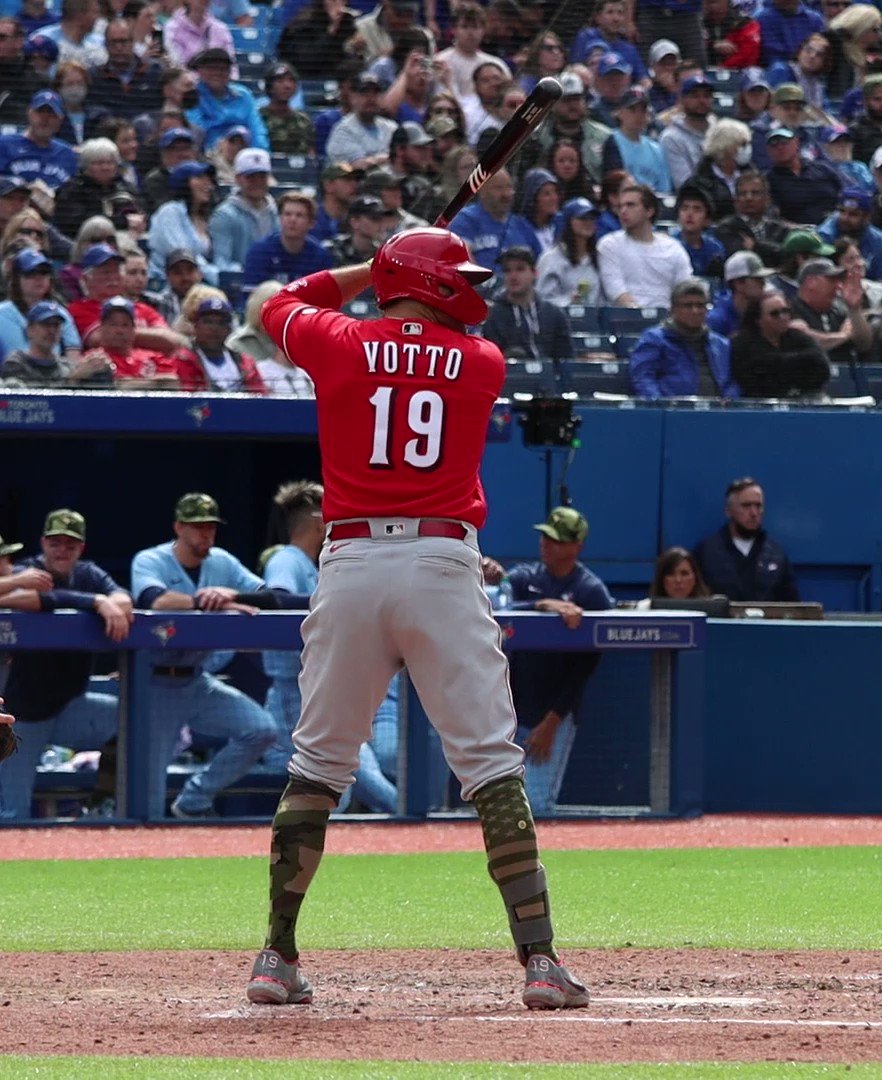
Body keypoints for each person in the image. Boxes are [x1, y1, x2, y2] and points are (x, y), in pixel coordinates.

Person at [243, 227, 591, 1011]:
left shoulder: (339, 339)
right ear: (433, 284)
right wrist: (394, 273)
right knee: (491, 764)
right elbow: (431, 338)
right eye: (457, 275)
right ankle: (539, 964)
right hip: (441, 563)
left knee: (320, 763)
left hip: (353, 563)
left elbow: (278, 305)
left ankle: (275, 955)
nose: (471, 285)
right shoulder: (482, 362)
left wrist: (370, 269)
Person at [130, 492, 277, 819]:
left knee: (262, 730)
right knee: (149, 799)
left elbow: (269, 595)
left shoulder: (222, 561)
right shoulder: (151, 559)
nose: (206, 534)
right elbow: (154, 599)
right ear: (179, 527)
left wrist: (232, 594)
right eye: (197, 527)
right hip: (155, 685)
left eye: (211, 527)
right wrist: (207, 601)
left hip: (198, 682)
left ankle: (193, 800)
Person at [0, 509, 131, 820]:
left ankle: (103, 803)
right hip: (24, 715)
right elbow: (26, 598)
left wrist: (104, 599)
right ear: (43, 543)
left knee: (132, 721)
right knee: (12, 813)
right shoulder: (27, 570)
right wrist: (95, 602)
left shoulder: (88, 574)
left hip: (72, 706)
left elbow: (124, 600)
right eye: (55, 543)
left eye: (70, 545)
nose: (62, 550)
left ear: (80, 548)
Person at [482, 507, 613, 816]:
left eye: (556, 539)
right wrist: (540, 604)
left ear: (576, 546)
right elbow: (498, 602)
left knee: (537, 804)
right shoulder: (524, 577)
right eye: (545, 537)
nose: (546, 544)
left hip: (553, 712)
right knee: (498, 797)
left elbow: (585, 669)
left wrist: (551, 723)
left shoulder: (590, 591)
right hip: (509, 708)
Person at [259, 481, 323, 772]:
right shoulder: (287, 558)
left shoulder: (313, 565)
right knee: (323, 774)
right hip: (291, 687)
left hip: (315, 686)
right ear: (319, 523)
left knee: (348, 770)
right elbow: (278, 599)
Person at [693, 477, 799, 600]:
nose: (754, 513)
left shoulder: (776, 555)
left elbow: (792, 606)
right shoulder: (706, 552)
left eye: (758, 506)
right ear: (728, 511)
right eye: (746, 506)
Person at [629, 278, 737, 399]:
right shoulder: (654, 339)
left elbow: (730, 383)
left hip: (718, 412)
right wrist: (660, 406)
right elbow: (643, 378)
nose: (695, 311)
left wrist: (730, 401)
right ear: (673, 309)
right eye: (688, 306)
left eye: (700, 305)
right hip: (674, 412)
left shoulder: (721, 344)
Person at [597, 184, 693, 308]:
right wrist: (642, 316)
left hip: (667, 320)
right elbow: (615, 291)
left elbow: (685, 289)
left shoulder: (673, 248)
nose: (623, 211)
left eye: (630, 205)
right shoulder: (609, 245)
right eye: (620, 206)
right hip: (625, 320)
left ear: (649, 211)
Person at [730, 289, 830, 397]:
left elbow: (821, 366)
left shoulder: (797, 337)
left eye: (785, 311)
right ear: (758, 320)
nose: (782, 317)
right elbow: (757, 379)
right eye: (774, 314)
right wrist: (799, 366)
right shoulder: (743, 343)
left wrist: (779, 366)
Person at [482, 246, 574, 361]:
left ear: (534, 273)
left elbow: (565, 359)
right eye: (507, 270)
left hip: (548, 377)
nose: (513, 276)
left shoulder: (554, 314)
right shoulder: (494, 315)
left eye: (520, 269)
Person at [52, 137, 143, 243]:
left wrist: (140, 221)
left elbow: (143, 210)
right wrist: (123, 222)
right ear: (86, 166)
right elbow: (74, 224)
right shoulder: (71, 191)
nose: (105, 167)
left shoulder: (127, 188)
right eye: (99, 163)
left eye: (110, 162)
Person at [451, 168, 540, 274]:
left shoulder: (521, 225)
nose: (506, 194)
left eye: (509, 187)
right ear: (482, 190)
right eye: (499, 188)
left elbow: (540, 263)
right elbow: (462, 261)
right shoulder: (466, 220)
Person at [0, 247, 81, 362]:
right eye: (30, 273)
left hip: (54, 378)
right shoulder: (1, 314)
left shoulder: (62, 314)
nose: (38, 278)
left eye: (44, 272)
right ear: (16, 278)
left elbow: (73, 360)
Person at [173, 295, 266, 392]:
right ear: (196, 326)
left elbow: (260, 398)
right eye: (208, 322)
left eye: (221, 323)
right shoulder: (182, 361)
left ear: (229, 329)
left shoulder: (246, 364)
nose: (214, 328)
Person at [208, 147, 278, 275]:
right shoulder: (224, 215)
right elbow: (222, 263)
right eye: (251, 177)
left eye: (262, 176)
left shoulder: (276, 212)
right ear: (238, 178)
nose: (257, 182)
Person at [184, 47, 269, 153]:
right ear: (199, 71)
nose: (217, 73)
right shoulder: (193, 96)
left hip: (244, 155)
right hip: (207, 157)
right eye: (211, 68)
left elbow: (257, 130)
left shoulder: (244, 95)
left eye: (223, 68)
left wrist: (259, 154)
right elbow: (196, 133)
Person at [790, 256, 872, 367]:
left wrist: (855, 309)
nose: (838, 286)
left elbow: (864, 344)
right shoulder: (789, 309)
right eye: (832, 280)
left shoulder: (838, 311)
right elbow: (803, 340)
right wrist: (843, 336)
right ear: (811, 282)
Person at [84, 294, 180, 388]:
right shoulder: (94, 359)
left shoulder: (153, 358)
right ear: (102, 328)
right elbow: (114, 389)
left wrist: (130, 384)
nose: (119, 330)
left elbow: (172, 382)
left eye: (125, 325)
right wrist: (154, 383)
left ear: (134, 329)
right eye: (113, 324)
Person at [243, 192, 334, 289]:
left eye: (299, 215)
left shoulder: (320, 256)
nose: (292, 220)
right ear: (280, 219)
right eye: (287, 214)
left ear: (311, 223)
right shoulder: (260, 251)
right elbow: (252, 297)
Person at [0, 91, 78, 193]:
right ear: (29, 113)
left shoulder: (67, 154)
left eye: (52, 114)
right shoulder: (5, 145)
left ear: (60, 119)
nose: (45, 119)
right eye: (40, 112)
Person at [764, 126, 842, 227]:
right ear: (768, 151)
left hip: (836, 225)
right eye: (773, 144)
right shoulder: (768, 180)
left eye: (784, 142)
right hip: (798, 233)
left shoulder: (823, 169)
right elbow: (772, 218)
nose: (780, 147)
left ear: (796, 142)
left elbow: (844, 193)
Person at [535, 198, 606, 307]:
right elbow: (542, 299)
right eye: (582, 218)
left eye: (592, 218)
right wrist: (568, 301)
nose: (588, 222)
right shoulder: (550, 258)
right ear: (568, 222)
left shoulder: (600, 257)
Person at [714, 170, 790, 268]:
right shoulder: (726, 228)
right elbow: (740, 259)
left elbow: (786, 255)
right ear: (736, 201)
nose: (748, 198)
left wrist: (756, 246)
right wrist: (770, 252)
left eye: (755, 193)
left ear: (767, 199)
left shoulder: (779, 227)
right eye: (743, 194)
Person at [816, 187, 882, 281]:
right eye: (842, 211)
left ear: (866, 217)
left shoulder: (877, 239)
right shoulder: (824, 235)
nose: (845, 218)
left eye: (853, 214)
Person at [708, 250, 772, 337]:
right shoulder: (717, 320)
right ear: (738, 284)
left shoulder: (763, 311)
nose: (763, 283)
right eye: (757, 279)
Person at [260, 62, 314, 158]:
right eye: (280, 80)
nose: (287, 86)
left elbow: (310, 155)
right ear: (269, 86)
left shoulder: (303, 120)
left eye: (291, 80)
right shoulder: (258, 119)